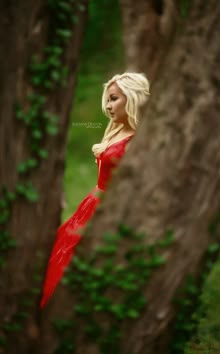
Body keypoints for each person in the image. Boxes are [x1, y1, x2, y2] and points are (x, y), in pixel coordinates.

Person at [40, 72, 150, 308]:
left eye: (114, 99)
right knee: (61, 259)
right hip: (92, 203)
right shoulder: (117, 129)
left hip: (110, 207)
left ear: (132, 98)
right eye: (108, 100)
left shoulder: (138, 140)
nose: (108, 106)